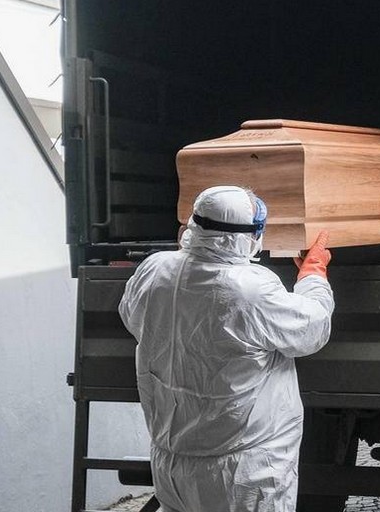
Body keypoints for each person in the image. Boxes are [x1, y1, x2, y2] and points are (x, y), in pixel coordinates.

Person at [118, 185, 334, 512]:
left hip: (171, 462)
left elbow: (133, 317)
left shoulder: (154, 270)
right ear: (246, 236)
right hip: (241, 470)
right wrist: (313, 274)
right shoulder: (249, 288)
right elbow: (311, 329)